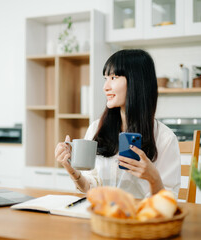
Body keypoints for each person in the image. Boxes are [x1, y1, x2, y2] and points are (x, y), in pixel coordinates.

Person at [54, 49, 180, 199]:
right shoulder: (96, 128)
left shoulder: (164, 138)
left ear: (137, 81)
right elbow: (90, 187)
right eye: (105, 78)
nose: (105, 87)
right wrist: (70, 168)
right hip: (103, 214)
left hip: (139, 218)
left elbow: (169, 200)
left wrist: (153, 178)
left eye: (113, 77)